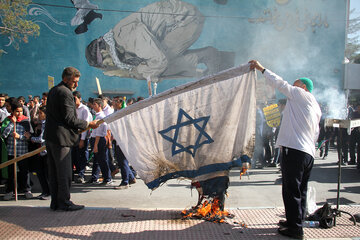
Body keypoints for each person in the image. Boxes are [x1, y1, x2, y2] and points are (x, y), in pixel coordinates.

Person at [249, 60, 321, 239]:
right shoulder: (314, 106)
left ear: (303, 86)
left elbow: (280, 83)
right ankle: (295, 220)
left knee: (291, 189)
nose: (292, 85)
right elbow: (316, 132)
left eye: (295, 83)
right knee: (300, 190)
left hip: (295, 150)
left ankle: (295, 229)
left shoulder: (299, 94)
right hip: (307, 153)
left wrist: (261, 69)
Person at [44, 66, 98, 211]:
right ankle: (64, 202)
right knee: (64, 173)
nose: (76, 85)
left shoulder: (54, 91)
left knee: (54, 173)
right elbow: (70, 119)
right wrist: (88, 123)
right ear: (65, 79)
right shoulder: (66, 93)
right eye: (74, 81)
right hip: (61, 139)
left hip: (51, 138)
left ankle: (55, 202)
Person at [2, 100, 33, 200]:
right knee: (12, 172)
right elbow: (4, 135)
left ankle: (26, 189)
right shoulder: (8, 120)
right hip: (11, 151)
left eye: (20, 111)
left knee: (24, 172)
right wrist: (12, 124)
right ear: (13, 111)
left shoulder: (26, 121)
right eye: (17, 111)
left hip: (23, 151)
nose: (19, 114)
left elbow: (29, 136)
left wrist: (20, 137)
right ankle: (10, 190)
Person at [88, 98, 114, 186]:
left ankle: (107, 178)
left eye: (95, 104)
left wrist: (95, 145)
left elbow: (99, 133)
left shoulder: (101, 117)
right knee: (99, 160)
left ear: (100, 106)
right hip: (94, 139)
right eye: (93, 104)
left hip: (99, 140)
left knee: (103, 160)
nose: (93, 106)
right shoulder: (96, 115)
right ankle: (100, 177)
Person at [30, 105, 50, 200]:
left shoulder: (46, 123)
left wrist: (30, 137)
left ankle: (48, 192)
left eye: (41, 113)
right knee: (40, 173)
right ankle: (45, 191)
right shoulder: (41, 124)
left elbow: (41, 139)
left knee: (46, 174)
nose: (39, 115)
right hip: (41, 152)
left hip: (45, 152)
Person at [72, 91, 92, 183]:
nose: (73, 100)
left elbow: (86, 125)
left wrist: (82, 139)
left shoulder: (84, 109)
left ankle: (81, 174)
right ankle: (75, 173)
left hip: (82, 134)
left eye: (75, 98)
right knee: (74, 155)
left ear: (79, 99)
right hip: (73, 134)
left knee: (82, 155)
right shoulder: (71, 109)